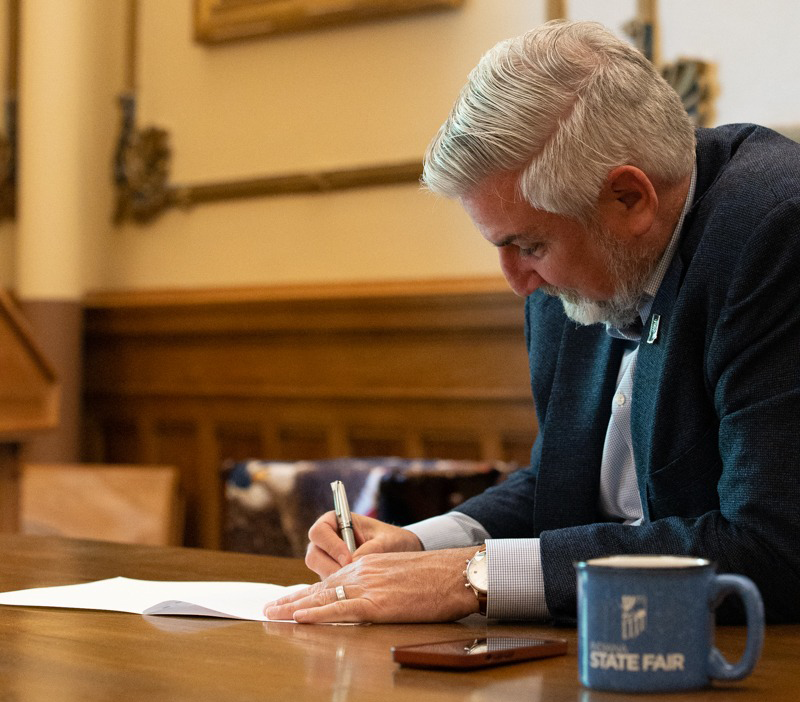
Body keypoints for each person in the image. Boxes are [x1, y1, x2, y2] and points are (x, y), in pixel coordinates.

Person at [265, 19, 800, 625]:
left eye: (529, 246)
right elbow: (562, 487)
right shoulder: (573, 258)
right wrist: (421, 546)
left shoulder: (775, 234)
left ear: (629, 199)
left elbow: (774, 546)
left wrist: (476, 576)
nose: (516, 280)